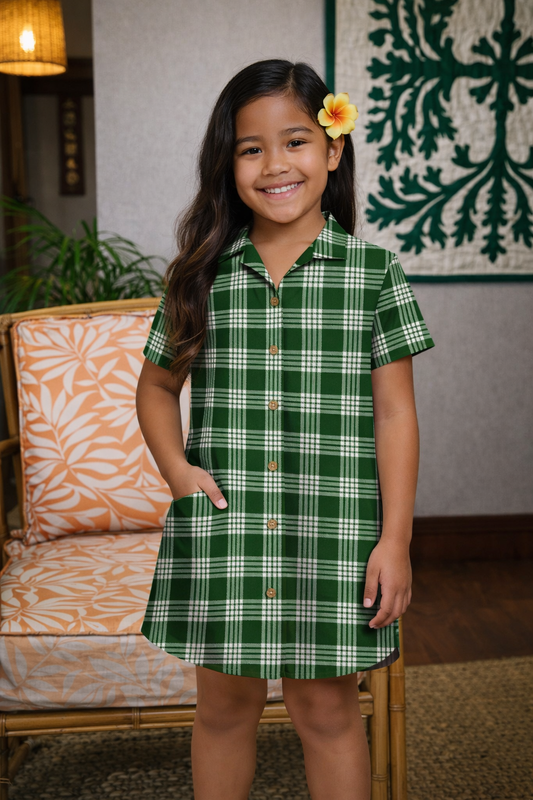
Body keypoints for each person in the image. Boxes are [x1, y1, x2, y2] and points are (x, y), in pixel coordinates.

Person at [136, 59, 435, 800]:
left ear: (332, 151)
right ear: (226, 163)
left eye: (295, 141)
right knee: (224, 706)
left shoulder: (372, 273)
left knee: (327, 707)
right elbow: (156, 387)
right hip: (226, 526)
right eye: (250, 148)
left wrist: (393, 538)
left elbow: (395, 412)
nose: (275, 165)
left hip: (330, 530)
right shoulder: (199, 276)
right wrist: (178, 471)